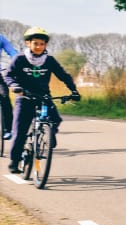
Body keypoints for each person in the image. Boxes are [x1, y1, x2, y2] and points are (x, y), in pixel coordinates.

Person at [5, 28, 80, 172]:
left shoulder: (49, 60)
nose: (38, 46)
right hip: (24, 97)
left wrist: (73, 90)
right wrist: (14, 86)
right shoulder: (20, 59)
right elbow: (8, 75)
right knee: (19, 131)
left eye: (42, 44)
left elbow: (63, 75)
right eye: (35, 43)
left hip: (43, 97)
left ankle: (50, 133)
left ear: (45, 45)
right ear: (28, 43)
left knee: (55, 119)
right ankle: (14, 161)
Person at [0, 32, 18, 140]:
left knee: (4, 97)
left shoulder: (1, 38)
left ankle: (8, 129)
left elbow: (12, 51)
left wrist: (19, 61)